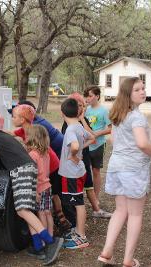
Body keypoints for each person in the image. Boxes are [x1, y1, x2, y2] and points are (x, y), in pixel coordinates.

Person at [0, 112, 63, 265]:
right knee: (27, 210)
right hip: (29, 169)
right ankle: (39, 247)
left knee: (22, 210)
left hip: (21, 171)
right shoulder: (7, 136)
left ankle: (50, 242)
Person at [97, 77, 151, 267]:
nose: (142, 92)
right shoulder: (137, 117)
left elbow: (112, 140)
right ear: (127, 94)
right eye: (137, 90)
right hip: (133, 169)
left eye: (143, 88)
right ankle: (127, 260)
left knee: (120, 210)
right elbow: (142, 143)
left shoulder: (119, 115)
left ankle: (107, 252)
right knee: (135, 214)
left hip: (116, 167)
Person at [11, 103, 72, 232]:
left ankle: (60, 218)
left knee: (53, 197)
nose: (12, 118)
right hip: (46, 171)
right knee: (48, 204)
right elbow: (11, 133)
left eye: (14, 116)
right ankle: (53, 227)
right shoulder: (29, 131)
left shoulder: (34, 132)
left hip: (50, 169)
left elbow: (34, 170)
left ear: (22, 119)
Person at [61, 92, 112, 219]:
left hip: (81, 158)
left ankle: (94, 210)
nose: (79, 108)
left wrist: (78, 149)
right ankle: (82, 213)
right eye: (76, 105)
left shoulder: (80, 122)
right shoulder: (68, 124)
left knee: (87, 185)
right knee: (78, 189)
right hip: (75, 161)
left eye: (80, 105)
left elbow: (91, 136)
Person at [59, 98, 95, 249]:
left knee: (78, 204)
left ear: (62, 113)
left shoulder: (71, 129)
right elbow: (92, 138)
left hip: (72, 173)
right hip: (78, 171)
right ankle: (77, 231)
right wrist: (80, 149)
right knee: (77, 202)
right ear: (78, 112)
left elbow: (74, 145)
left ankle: (81, 237)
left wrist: (74, 154)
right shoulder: (79, 126)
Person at [84, 85, 112, 200]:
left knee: (95, 171)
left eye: (90, 96)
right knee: (85, 171)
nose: (88, 98)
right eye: (86, 96)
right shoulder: (85, 110)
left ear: (97, 96)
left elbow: (111, 128)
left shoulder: (104, 110)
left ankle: (95, 197)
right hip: (86, 145)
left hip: (98, 145)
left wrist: (97, 133)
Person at [26, 125, 54, 238]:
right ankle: (51, 235)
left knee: (41, 213)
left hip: (39, 187)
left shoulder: (32, 154)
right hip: (47, 186)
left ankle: (44, 238)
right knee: (48, 212)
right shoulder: (46, 152)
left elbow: (33, 174)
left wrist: (34, 191)